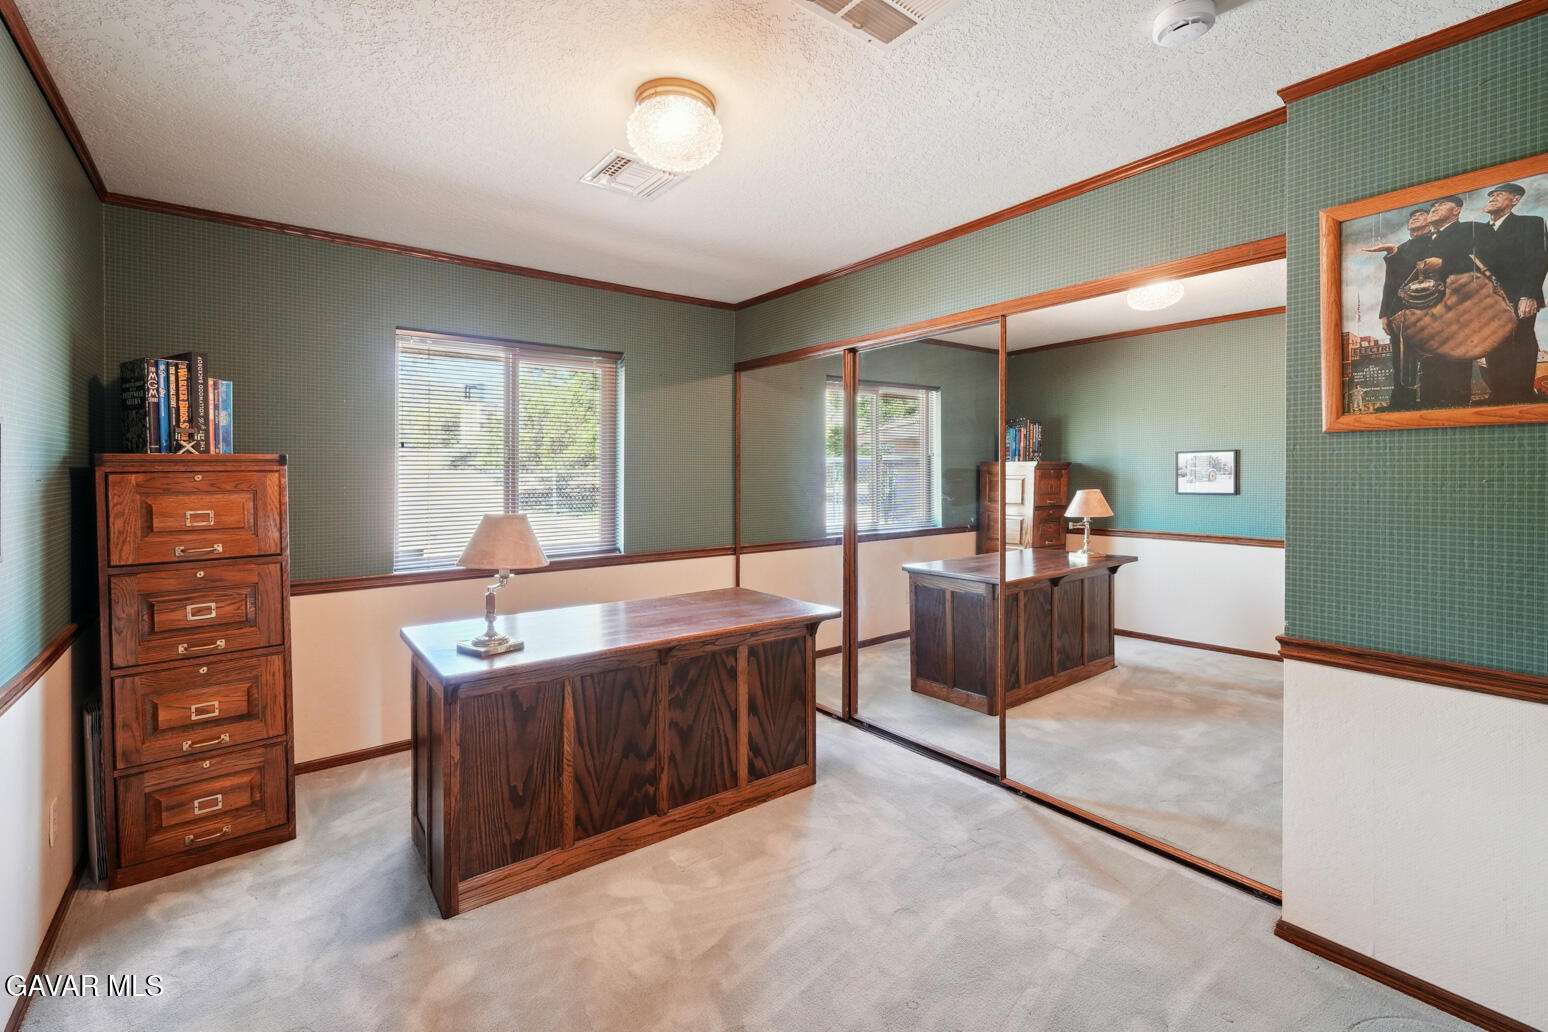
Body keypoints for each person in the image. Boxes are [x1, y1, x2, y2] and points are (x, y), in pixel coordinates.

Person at [1478, 182, 1547, 404]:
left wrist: (1529, 295)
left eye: (1499, 195)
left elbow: (1538, 260)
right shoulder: (1479, 231)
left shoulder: (1530, 223)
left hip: (1520, 297)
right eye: (1491, 195)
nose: (1493, 197)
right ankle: (1499, 394)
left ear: (1515, 200)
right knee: (1493, 343)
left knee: (1521, 341)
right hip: (1488, 301)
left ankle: (1521, 394)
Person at [1370, 207, 1434, 408]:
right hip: (1398, 310)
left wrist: (1393, 253)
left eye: (1421, 215)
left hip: (1426, 304)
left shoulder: (1435, 241)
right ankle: (1401, 401)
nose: (1415, 217)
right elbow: (1390, 284)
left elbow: (1415, 268)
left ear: (1430, 221)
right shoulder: (1402, 247)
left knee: (1428, 353)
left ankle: (1428, 399)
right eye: (1412, 216)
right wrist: (1384, 314)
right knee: (1400, 355)